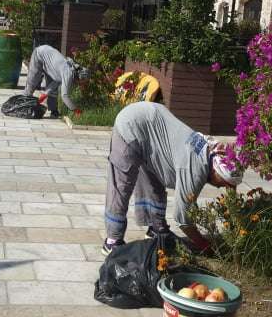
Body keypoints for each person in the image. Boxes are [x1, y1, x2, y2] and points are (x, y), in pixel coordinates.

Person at [102, 101, 243, 255]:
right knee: (122, 185)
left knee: (154, 182)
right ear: (216, 172)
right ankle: (112, 241)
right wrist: (204, 245)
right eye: (223, 184)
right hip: (131, 124)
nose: (222, 187)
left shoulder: (211, 152)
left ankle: (156, 229)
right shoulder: (194, 170)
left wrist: (235, 211)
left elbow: (229, 177)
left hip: (151, 122)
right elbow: (183, 220)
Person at [23, 44, 89, 118]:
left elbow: (56, 82)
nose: (81, 84)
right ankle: (24, 106)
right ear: (79, 77)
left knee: (53, 91)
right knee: (32, 81)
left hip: (49, 62)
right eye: (82, 82)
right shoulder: (68, 73)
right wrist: (76, 110)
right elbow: (64, 96)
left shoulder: (72, 71)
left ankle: (54, 111)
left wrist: (45, 94)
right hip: (39, 54)